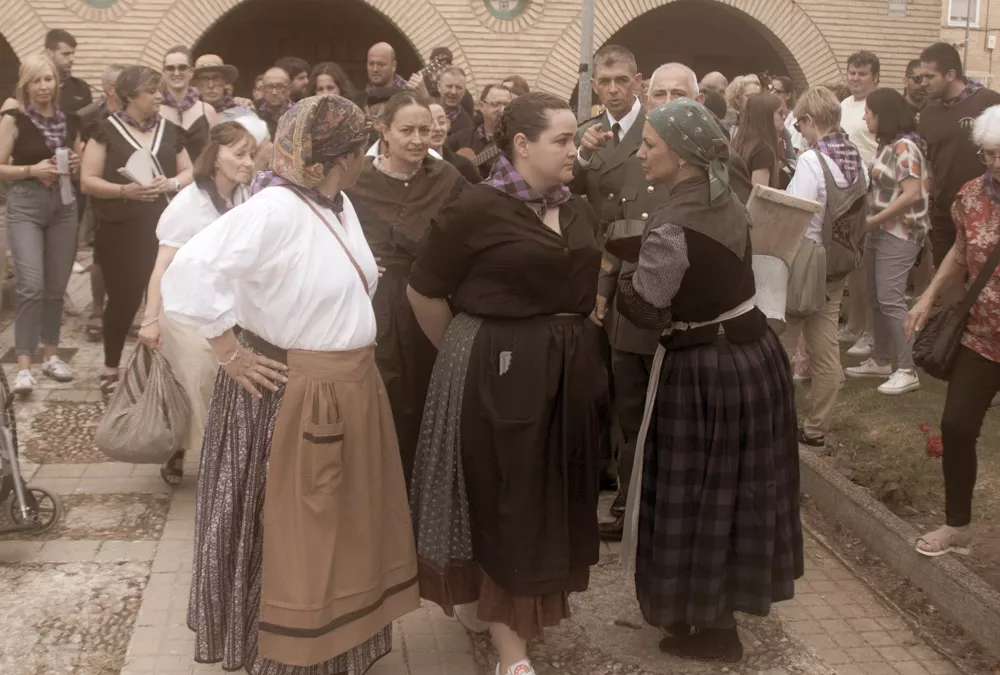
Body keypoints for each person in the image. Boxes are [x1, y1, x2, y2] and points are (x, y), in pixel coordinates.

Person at [160, 94, 418, 674]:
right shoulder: (274, 209)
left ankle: (335, 651)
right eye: (362, 148)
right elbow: (189, 270)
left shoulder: (337, 203)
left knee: (345, 529)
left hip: (347, 387)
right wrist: (228, 352)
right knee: (295, 532)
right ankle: (282, 656)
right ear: (341, 157)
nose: (367, 156)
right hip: (292, 394)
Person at [407, 91, 606, 675]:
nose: (574, 150)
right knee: (508, 501)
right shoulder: (477, 206)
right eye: (562, 140)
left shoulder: (575, 206)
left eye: (574, 139)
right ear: (522, 144)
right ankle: (511, 655)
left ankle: (516, 611)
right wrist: (464, 353)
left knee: (550, 499)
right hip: (500, 372)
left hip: (565, 375)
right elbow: (423, 290)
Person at [616, 97, 801, 663]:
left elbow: (647, 308)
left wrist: (619, 275)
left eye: (649, 145)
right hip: (752, 357)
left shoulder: (672, 224)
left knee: (702, 492)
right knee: (736, 491)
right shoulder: (728, 197)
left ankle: (715, 628)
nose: (641, 153)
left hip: (706, 370)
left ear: (681, 155)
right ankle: (711, 611)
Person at [346, 91, 465, 485]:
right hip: (375, 302)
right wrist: (352, 258)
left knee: (427, 393)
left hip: (428, 300)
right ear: (383, 131)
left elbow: (474, 224)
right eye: (407, 130)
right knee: (382, 392)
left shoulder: (446, 177)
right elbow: (320, 226)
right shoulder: (356, 179)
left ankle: (421, 493)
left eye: (424, 131)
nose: (417, 140)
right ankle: (377, 490)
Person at [137, 122, 256, 486]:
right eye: (240, 154)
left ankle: (216, 453)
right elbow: (162, 265)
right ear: (215, 157)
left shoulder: (249, 197)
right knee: (202, 375)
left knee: (226, 379)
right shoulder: (189, 203)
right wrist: (149, 320)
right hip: (185, 309)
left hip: (230, 308)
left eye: (252, 154)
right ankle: (200, 456)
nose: (249, 162)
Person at [906, 104, 1000, 557]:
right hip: (981, 336)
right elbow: (961, 251)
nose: (996, 162)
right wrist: (927, 297)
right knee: (957, 426)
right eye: (989, 153)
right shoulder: (970, 195)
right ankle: (956, 526)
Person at [80, 65, 193, 400]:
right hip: (121, 231)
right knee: (123, 300)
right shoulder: (104, 130)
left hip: (165, 229)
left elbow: (190, 171)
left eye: (159, 90)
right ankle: (110, 368)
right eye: (151, 91)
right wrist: (123, 191)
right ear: (130, 96)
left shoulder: (170, 130)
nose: (159, 96)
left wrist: (171, 183)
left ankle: (162, 372)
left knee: (166, 301)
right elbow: (87, 180)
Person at [572, 44, 646, 535]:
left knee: (629, 382)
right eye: (605, 82)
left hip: (638, 263)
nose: (614, 89)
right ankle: (602, 468)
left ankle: (628, 487)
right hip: (594, 264)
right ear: (594, 85)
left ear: (637, 81)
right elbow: (569, 187)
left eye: (622, 80)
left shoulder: (655, 130)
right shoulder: (588, 133)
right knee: (595, 373)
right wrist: (582, 154)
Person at [786, 87, 868, 448]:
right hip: (838, 263)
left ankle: (775, 420)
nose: (800, 132)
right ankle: (817, 428)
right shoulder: (856, 158)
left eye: (800, 124)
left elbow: (798, 212)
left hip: (805, 261)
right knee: (825, 347)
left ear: (809, 120)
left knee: (781, 344)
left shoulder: (811, 160)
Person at [0, 54, 84, 395]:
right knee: (31, 285)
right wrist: (31, 170)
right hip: (25, 205)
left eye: (48, 79)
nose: (43, 86)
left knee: (55, 287)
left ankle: (51, 356)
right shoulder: (14, 119)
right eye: (36, 80)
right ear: (26, 85)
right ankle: (24, 367)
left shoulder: (70, 120)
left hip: (63, 205)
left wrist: (74, 162)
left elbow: (78, 163)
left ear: (56, 82)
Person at [844, 89, 929, 395]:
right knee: (876, 296)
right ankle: (881, 359)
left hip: (900, 232)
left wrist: (874, 220)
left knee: (891, 298)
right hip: (880, 231)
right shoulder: (888, 145)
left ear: (884, 114)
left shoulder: (905, 146)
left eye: (868, 112)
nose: (864, 117)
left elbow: (912, 193)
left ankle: (907, 369)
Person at [918, 42, 1000, 268]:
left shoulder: (989, 102)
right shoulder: (928, 114)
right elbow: (928, 166)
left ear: (951, 75)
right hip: (944, 217)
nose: (923, 82)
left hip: (987, 212)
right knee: (945, 281)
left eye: (929, 76)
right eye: (921, 76)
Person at [77, 63, 125, 343]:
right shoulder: (88, 116)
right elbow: (79, 150)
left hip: (131, 188)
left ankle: (132, 310)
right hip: (99, 190)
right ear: (110, 89)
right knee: (100, 254)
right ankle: (97, 311)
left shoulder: (137, 114)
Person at [838, 51, 881, 358]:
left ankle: (869, 331)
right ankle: (853, 324)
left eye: (862, 73)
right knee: (853, 264)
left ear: (875, 77)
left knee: (867, 266)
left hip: (872, 192)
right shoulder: (844, 105)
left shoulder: (878, 106)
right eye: (852, 72)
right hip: (846, 193)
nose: (855, 78)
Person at [160, 45, 219, 163]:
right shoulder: (155, 110)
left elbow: (215, 153)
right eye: (170, 68)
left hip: (200, 174)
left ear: (191, 72)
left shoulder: (207, 111)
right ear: (164, 73)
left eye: (182, 67)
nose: (176, 73)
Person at [731, 92, 783, 188]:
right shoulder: (763, 151)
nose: (784, 117)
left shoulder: (739, 142)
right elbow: (758, 194)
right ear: (766, 116)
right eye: (780, 113)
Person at [428, 99, 479, 182]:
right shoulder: (410, 167)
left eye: (441, 122)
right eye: (430, 123)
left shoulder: (463, 165)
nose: (438, 128)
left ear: (448, 124)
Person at [469, 84, 512, 178]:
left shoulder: (514, 138)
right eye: (495, 104)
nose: (502, 109)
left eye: (507, 105)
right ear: (481, 106)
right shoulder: (462, 138)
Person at [44, 29, 92, 115]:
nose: (71, 59)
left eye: (73, 53)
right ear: (49, 54)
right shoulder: (36, 86)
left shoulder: (81, 88)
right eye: (65, 54)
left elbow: (90, 121)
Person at [437, 66, 474, 152]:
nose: (453, 92)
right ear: (439, 86)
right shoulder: (425, 111)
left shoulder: (467, 126)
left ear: (464, 91)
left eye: (458, 87)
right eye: (449, 86)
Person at [258, 67, 293, 140]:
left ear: (289, 90)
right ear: (262, 90)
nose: (274, 92)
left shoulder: (299, 113)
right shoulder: (254, 111)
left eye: (280, 87)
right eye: (269, 87)